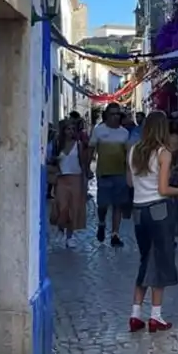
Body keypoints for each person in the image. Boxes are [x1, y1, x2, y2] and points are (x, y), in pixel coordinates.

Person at [127, 111, 178, 332]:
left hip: (138, 211)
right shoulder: (163, 153)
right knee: (160, 261)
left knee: (145, 260)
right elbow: (163, 189)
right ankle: (156, 315)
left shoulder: (134, 151)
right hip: (158, 209)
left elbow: (130, 182)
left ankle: (135, 313)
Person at [89, 103, 130, 247]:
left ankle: (115, 234)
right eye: (112, 114)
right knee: (103, 204)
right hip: (103, 173)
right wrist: (87, 167)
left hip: (120, 173)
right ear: (106, 115)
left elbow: (128, 154)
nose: (115, 117)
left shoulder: (124, 133)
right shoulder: (99, 131)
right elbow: (91, 149)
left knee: (118, 204)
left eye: (117, 114)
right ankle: (101, 223)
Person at [49, 118, 88, 247]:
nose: (70, 132)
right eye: (67, 129)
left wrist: (85, 180)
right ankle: (60, 230)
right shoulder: (57, 144)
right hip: (61, 178)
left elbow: (83, 163)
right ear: (63, 130)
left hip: (75, 178)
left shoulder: (78, 145)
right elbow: (51, 160)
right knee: (62, 207)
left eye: (72, 129)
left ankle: (70, 236)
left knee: (73, 208)